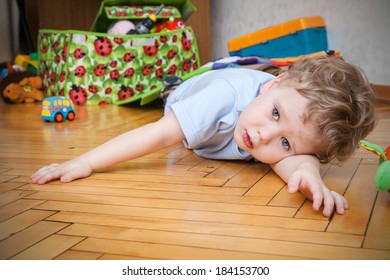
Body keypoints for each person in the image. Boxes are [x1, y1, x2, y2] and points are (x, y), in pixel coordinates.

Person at [31, 57, 377, 217]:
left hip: (240, 85)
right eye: (275, 114)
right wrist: (84, 161)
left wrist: (309, 177)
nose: (264, 135)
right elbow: (155, 136)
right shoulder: (220, 101)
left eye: (285, 142)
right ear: (273, 84)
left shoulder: (284, 130)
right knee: (170, 108)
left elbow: (297, 162)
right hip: (184, 96)